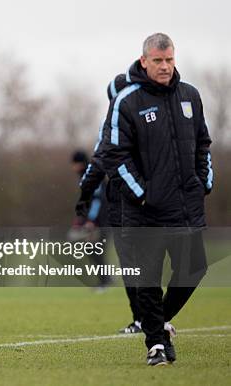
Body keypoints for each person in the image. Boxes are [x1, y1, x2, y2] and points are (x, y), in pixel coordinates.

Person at [102, 33, 212, 366]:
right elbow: (113, 156)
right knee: (147, 280)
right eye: (159, 61)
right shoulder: (127, 100)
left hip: (185, 207)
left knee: (194, 269)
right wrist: (143, 195)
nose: (165, 67)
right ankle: (156, 346)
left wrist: (203, 182)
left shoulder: (190, 95)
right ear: (144, 60)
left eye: (170, 60)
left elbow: (203, 144)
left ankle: (157, 323)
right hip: (144, 212)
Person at [74, 75, 143, 333]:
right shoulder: (119, 125)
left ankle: (148, 319)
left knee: (137, 262)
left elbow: (100, 161)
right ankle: (149, 319)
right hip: (137, 203)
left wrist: (85, 193)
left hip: (133, 204)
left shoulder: (116, 127)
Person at [70, 150, 110, 289]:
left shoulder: (92, 175)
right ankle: (106, 279)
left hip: (102, 220)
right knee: (92, 249)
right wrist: (80, 219)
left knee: (96, 249)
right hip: (95, 220)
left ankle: (105, 281)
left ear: (79, 163)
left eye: (74, 164)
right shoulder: (85, 175)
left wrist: (91, 220)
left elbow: (98, 201)